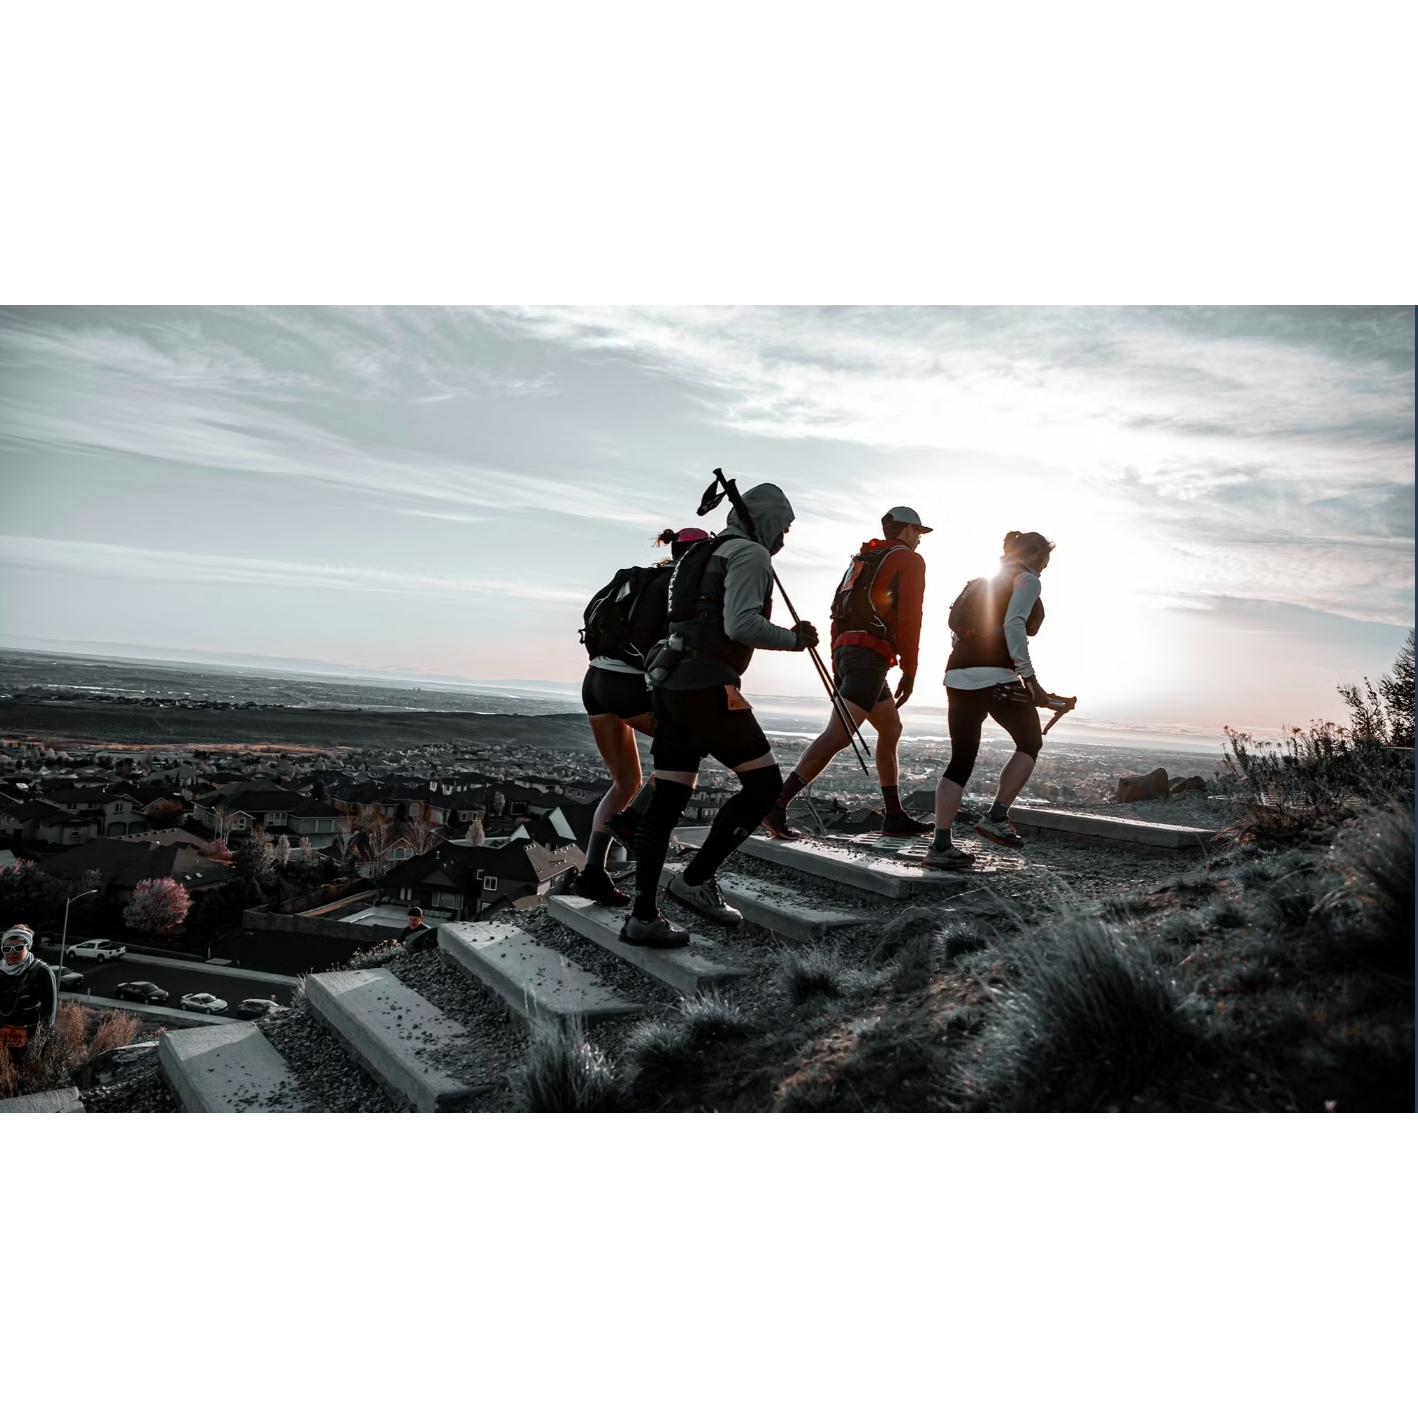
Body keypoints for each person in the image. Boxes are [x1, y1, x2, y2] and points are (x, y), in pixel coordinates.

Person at [624, 484, 816, 944]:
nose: (785, 538)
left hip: (669, 685)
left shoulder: (698, 553)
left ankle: (643, 917)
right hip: (710, 688)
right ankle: (695, 880)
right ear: (767, 521)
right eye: (784, 527)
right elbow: (740, 625)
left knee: (668, 800)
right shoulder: (750, 555)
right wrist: (795, 639)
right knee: (764, 786)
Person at [762, 505, 934, 839]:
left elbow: (837, 613)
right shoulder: (909, 560)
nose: (919, 540)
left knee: (891, 728)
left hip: (849, 651)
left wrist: (837, 663)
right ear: (908, 530)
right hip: (870, 656)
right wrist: (910, 671)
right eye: (918, 533)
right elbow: (911, 617)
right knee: (838, 736)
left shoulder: (860, 560)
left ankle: (894, 815)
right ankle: (777, 804)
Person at [574, 528, 710, 906]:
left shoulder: (640, 580)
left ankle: (593, 873)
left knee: (624, 780)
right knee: (691, 745)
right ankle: (632, 821)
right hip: (629, 684)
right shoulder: (679, 588)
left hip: (596, 679)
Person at [924, 530, 1061, 869]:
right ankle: (996, 817)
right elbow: (1014, 624)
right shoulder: (1026, 579)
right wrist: (1029, 679)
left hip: (956, 675)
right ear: (1036, 556)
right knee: (1030, 742)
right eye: (1046, 561)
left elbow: (956, 631)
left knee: (961, 759)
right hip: (997, 675)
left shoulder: (978, 582)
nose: (1045, 569)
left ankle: (940, 846)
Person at [1, 925, 58, 1080]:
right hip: (1, 1035)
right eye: (7, 949)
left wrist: (41, 1046)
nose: (11, 953)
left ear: (28, 946)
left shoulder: (41, 971)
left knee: (20, 1078)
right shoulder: (1, 969)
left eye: (18, 948)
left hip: (27, 1038)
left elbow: (49, 1012)